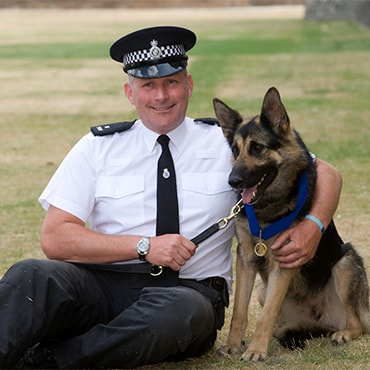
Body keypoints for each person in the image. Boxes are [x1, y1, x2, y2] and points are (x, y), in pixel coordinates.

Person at [0, 26, 342, 369]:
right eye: (148, 85)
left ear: (189, 85)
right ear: (130, 93)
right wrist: (144, 246)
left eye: (172, 82)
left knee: (175, 314)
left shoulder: (226, 141)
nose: (161, 96)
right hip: (102, 283)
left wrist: (313, 225)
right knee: (31, 275)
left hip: (188, 293)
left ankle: (43, 361)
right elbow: (55, 237)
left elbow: (327, 173)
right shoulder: (97, 147)